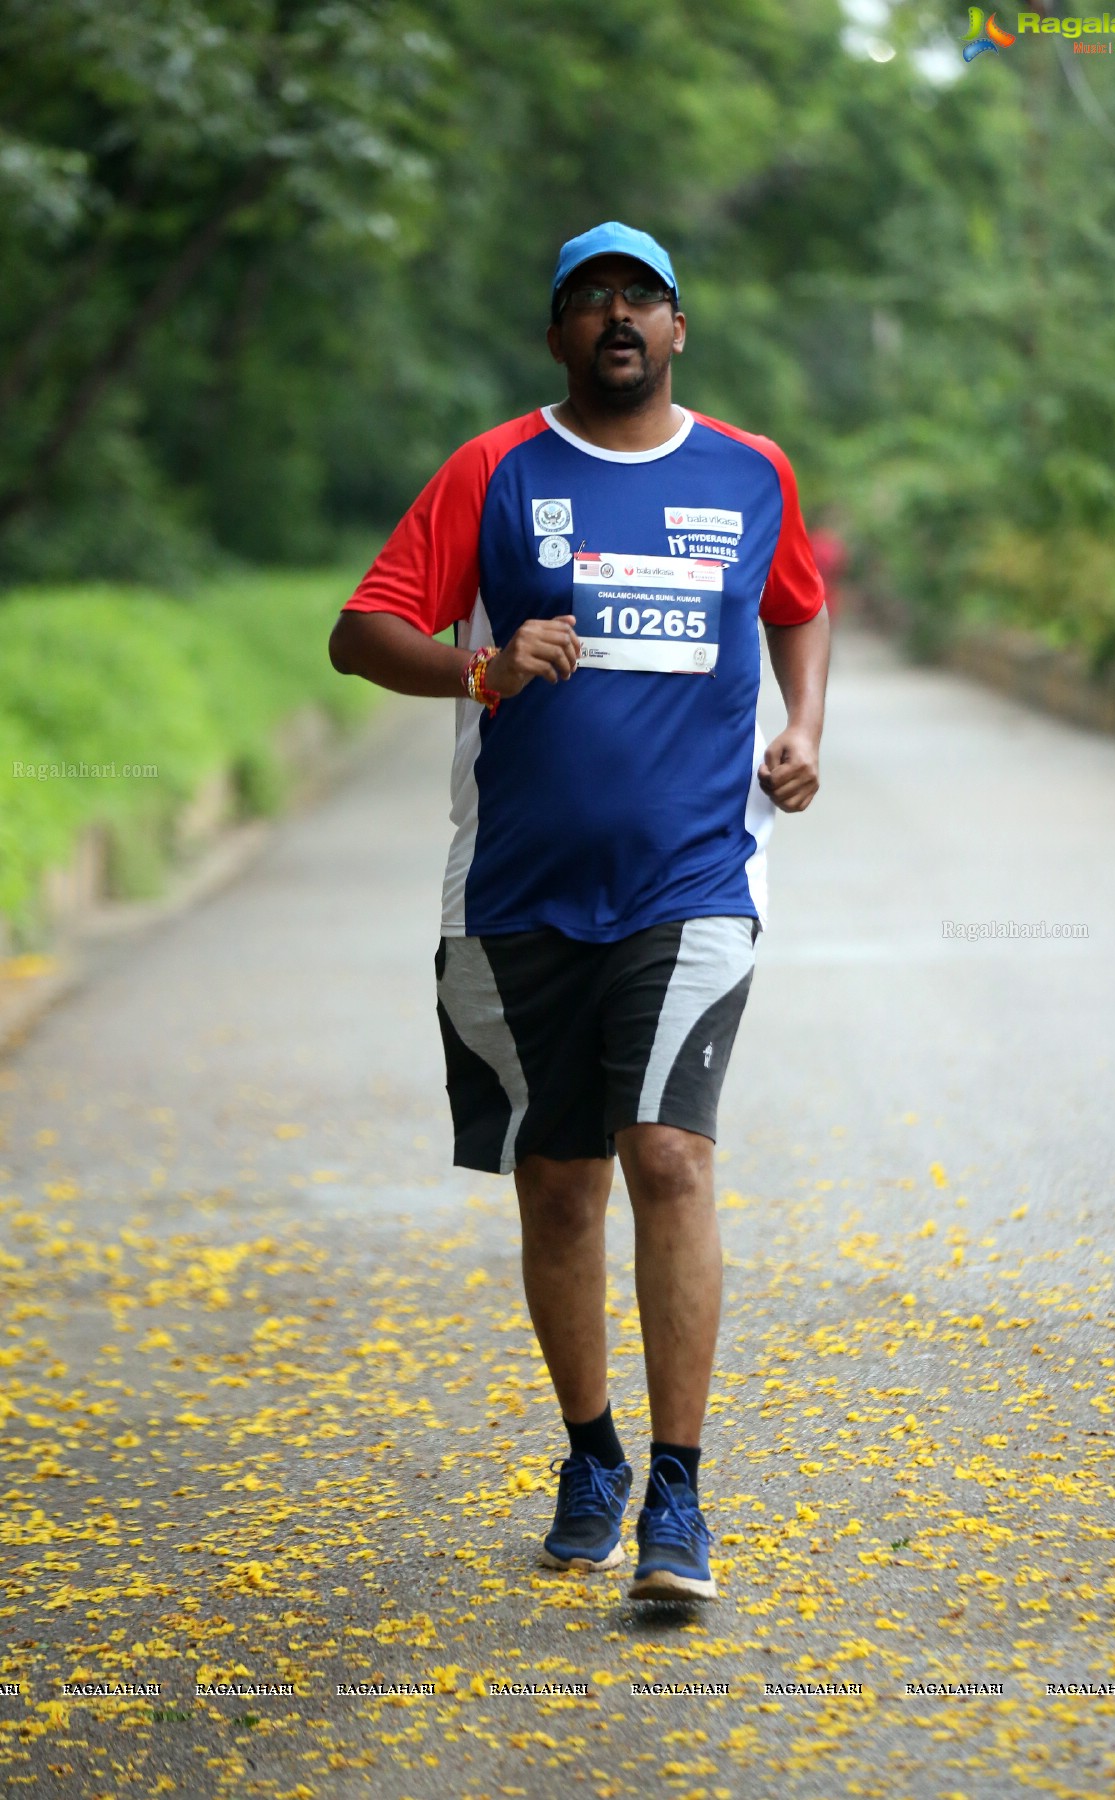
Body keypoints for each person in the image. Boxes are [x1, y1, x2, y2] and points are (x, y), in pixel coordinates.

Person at [329, 221, 829, 1602]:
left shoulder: (749, 472)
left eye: (643, 298)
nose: (618, 316)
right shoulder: (494, 471)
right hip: (517, 893)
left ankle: (678, 1494)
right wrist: (479, 672)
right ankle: (592, 1451)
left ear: (680, 329)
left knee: (667, 1154)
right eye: (589, 299)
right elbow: (361, 633)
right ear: (558, 336)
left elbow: (798, 601)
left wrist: (807, 725)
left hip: (695, 881)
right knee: (560, 1185)